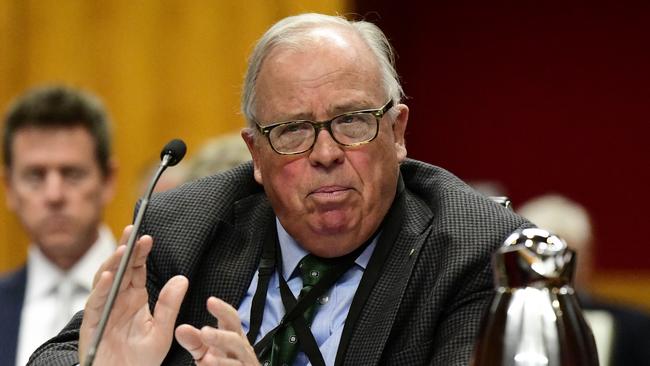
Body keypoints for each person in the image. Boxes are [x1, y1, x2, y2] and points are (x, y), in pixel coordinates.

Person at [28, 14, 529, 365]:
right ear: (256, 156)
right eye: (292, 131)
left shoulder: (476, 251)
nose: (326, 153)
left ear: (397, 133)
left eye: (352, 121)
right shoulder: (181, 230)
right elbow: (54, 357)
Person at [0, 85, 117, 366]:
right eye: (35, 176)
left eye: (72, 174)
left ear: (108, 181)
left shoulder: (156, 298)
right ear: (9, 188)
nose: (54, 195)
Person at [518, 194, 650, 366]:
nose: (554, 271)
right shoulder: (489, 320)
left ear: (588, 260)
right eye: (540, 258)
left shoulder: (634, 328)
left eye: (566, 258)